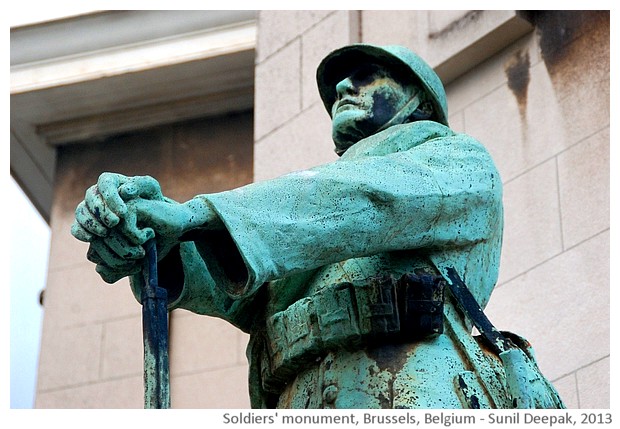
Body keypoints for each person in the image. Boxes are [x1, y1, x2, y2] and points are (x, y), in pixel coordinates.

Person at [72, 44, 561, 409]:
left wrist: (196, 215)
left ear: (418, 99)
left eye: (366, 76)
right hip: (294, 395)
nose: (343, 90)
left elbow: (371, 197)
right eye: (337, 88)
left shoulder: (457, 158)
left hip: (411, 389)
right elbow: (249, 291)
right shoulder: (307, 215)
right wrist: (155, 239)